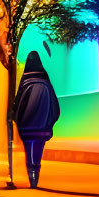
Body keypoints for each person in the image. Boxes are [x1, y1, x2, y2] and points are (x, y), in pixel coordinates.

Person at [12, 51, 62, 188]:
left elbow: (18, 105)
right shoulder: (46, 84)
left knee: (29, 152)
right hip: (42, 128)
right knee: (37, 154)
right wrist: (49, 123)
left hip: (26, 128)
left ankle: (31, 177)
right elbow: (55, 108)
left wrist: (19, 120)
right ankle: (35, 177)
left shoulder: (24, 83)